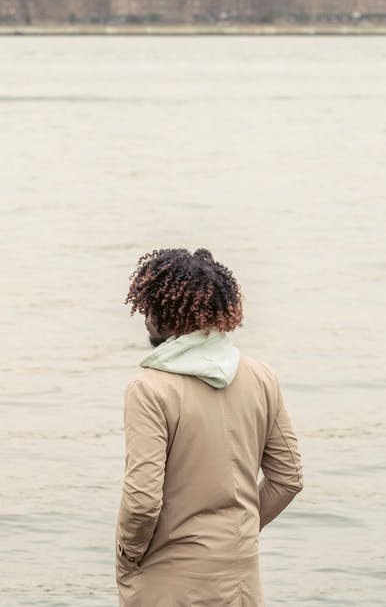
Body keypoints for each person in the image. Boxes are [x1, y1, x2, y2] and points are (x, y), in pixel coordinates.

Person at [115, 249, 304, 607]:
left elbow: (141, 502)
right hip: (242, 577)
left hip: (170, 579)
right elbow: (289, 478)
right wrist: (237, 532)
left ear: (169, 313)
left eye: (150, 306)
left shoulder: (148, 389)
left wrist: (129, 555)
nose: (144, 318)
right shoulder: (262, 377)